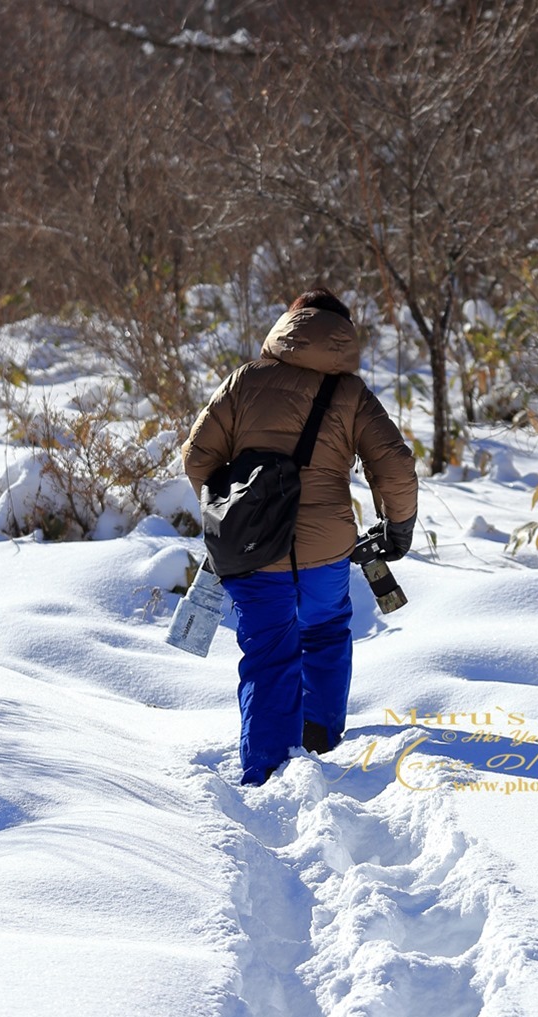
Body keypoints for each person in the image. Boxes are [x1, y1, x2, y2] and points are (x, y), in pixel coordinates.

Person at [182, 288, 417, 785]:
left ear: (289, 325)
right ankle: (321, 744)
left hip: (251, 550)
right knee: (326, 632)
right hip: (325, 549)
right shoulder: (352, 395)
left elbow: (197, 456)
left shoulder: (245, 381)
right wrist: (398, 528)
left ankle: (266, 772)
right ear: (341, 337)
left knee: (269, 653)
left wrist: (231, 507)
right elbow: (395, 466)